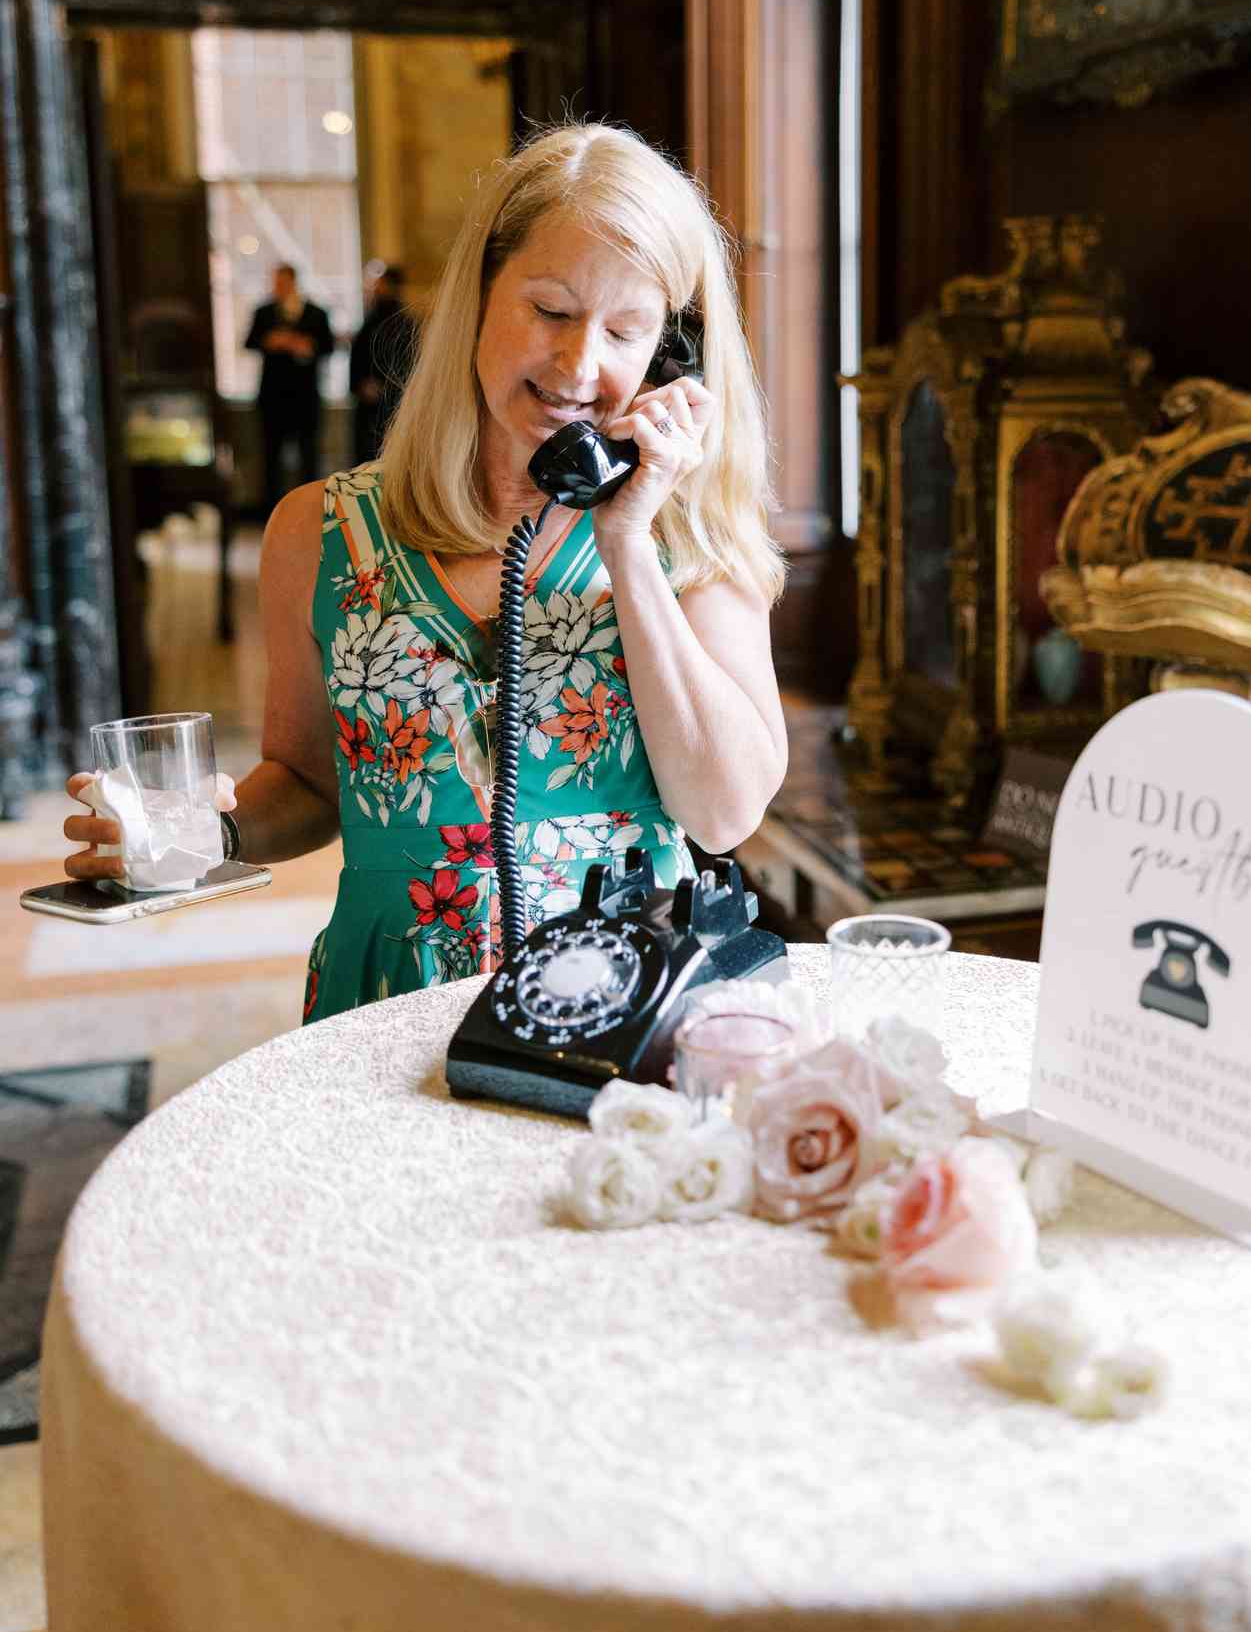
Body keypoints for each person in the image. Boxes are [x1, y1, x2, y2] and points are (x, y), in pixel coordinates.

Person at [63, 124, 788, 1023]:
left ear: (665, 355)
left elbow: (725, 815)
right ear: (478, 296)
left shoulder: (692, 529)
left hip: (617, 1003)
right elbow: (313, 779)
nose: (579, 365)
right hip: (384, 1001)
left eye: (626, 330)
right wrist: (199, 833)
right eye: (552, 311)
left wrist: (629, 541)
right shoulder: (315, 531)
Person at [245, 263, 334, 516]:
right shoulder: (263, 312)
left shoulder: (316, 313)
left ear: (293, 282)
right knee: (270, 458)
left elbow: (328, 347)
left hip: (305, 398)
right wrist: (270, 341)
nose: (277, 287)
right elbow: (249, 342)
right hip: (273, 398)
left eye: (282, 282)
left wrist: (305, 346)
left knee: (309, 457)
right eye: (275, 282)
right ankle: (271, 514)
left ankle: (313, 512)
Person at [348, 262, 416, 463]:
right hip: (368, 403)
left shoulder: (406, 323)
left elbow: (409, 363)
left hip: (394, 402)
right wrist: (361, 384)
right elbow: (358, 358)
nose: (377, 289)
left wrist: (387, 386)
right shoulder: (369, 321)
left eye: (382, 285)